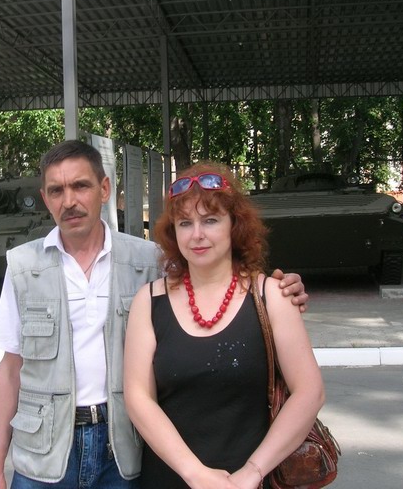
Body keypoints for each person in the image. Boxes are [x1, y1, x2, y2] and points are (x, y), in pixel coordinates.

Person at [0, 142, 309, 489]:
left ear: (104, 189)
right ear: (45, 198)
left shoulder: (149, 261)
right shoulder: (23, 267)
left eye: (80, 185)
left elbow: (212, 273)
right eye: (56, 190)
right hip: (44, 453)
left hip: (123, 448)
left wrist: (281, 289)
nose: (69, 201)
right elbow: (11, 369)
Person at [124, 162, 325, 489]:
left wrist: (253, 473)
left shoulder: (273, 296)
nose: (197, 234)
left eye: (211, 220)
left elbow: (309, 392)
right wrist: (195, 473)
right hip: (171, 478)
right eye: (185, 223)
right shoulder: (148, 302)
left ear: (235, 225)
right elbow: (138, 397)